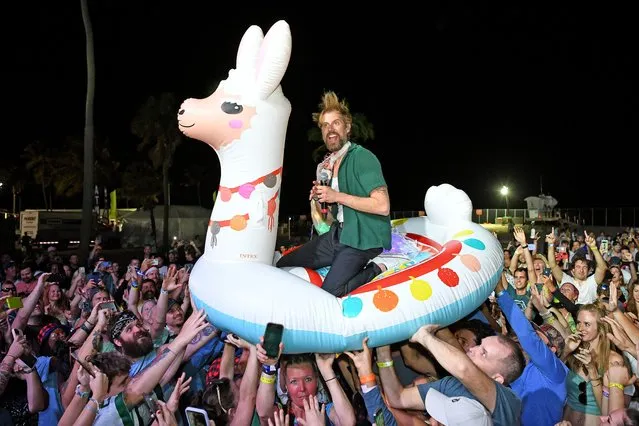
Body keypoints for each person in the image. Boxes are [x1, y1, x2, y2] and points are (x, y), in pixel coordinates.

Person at [276, 91, 392, 297]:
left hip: (363, 239)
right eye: (325, 125)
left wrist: (336, 196)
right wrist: (321, 199)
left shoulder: (363, 158)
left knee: (330, 292)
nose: (330, 129)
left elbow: (382, 206)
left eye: (336, 123)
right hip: (338, 234)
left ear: (347, 128)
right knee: (283, 263)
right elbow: (330, 218)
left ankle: (375, 269)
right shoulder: (327, 166)